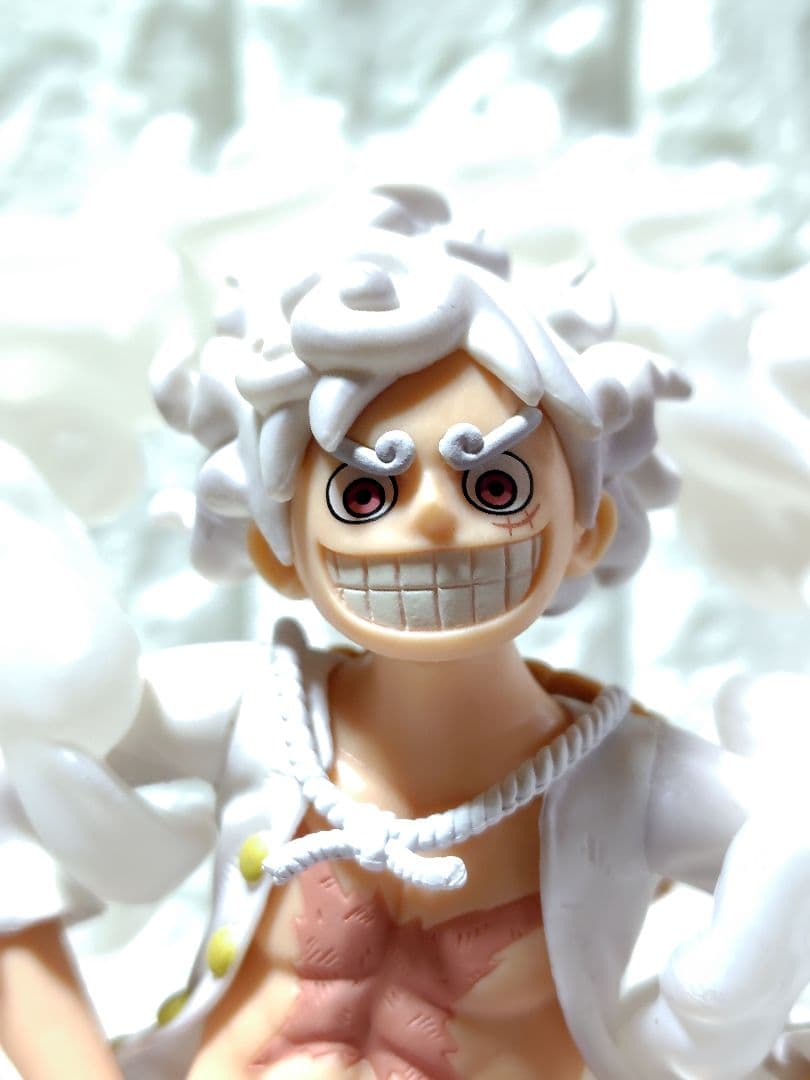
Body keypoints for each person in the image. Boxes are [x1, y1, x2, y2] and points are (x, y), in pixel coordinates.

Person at [1, 186, 808, 1079]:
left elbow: (792, 850)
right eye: (363, 493)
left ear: (589, 529)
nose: (429, 520)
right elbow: (12, 792)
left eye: (494, 485)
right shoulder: (254, 713)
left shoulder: (627, 781)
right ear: (279, 551)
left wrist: (722, 1016)